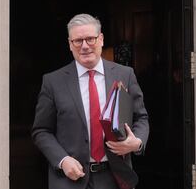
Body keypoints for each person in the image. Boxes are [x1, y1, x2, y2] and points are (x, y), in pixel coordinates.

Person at [31, 13, 149, 189]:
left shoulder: (125, 74)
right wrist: (62, 160)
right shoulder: (53, 82)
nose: (85, 46)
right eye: (78, 41)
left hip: (115, 177)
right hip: (69, 180)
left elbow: (141, 118)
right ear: (70, 44)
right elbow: (41, 130)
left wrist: (137, 142)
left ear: (101, 39)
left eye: (90, 39)